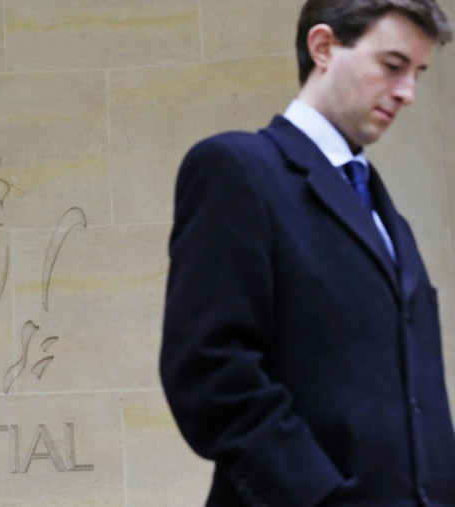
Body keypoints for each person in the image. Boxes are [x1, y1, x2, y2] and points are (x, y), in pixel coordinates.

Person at [160, 1, 455, 506]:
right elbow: (210, 371)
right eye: (392, 65)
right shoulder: (236, 169)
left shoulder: (391, 222)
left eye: (418, 73)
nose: (407, 92)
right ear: (323, 47)